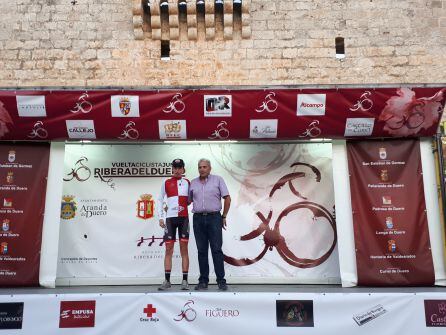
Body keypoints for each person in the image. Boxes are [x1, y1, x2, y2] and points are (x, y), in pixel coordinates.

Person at [189, 158, 231, 291]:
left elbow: (227, 198)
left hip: (214, 218)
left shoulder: (218, 180)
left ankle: (221, 281)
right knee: (201, 251)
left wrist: (223, 216)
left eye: (204, 167)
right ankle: (203, 281)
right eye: (200, 167)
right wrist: (170, 205)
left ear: (210, 168)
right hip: (198, 219)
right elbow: (188, 201)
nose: (202, 169)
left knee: (216, 250)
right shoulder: (193, 183)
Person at [157, 158, 190, 291]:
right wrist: (160, 217)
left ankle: (184, 281)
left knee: (184, 250)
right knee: (168, 250)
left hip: (183, 219)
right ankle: (167, 280)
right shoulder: (166, 182)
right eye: (175, 168)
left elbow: (193, 199)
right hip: (170, 219)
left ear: (183, 169)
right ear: (172, 169)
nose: (177, 170)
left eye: (179, 167)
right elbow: (160, 200)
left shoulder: (188, 182)